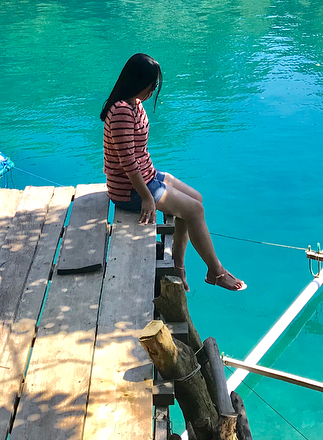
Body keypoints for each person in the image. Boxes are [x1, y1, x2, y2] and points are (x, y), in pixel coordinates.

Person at [101, 53, 246, 292]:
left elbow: (137, 153)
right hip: (131, 190)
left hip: (147, 176)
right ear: (139, 81)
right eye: (153, 84)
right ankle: (216, 272)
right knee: (195, 210)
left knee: (196, 199)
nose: (153, 89)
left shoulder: (133, 105)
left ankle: (178, 266)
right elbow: (127, 162)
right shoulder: (121, 112)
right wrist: (148, 197)